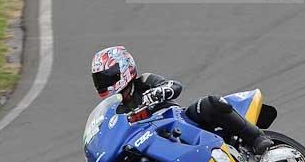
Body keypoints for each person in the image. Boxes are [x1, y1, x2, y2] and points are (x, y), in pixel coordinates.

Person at [91, 46, 273, 155]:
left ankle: (257, 138)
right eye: (99, 79)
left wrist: (157, 93)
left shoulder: (143, 81)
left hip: (178, 120)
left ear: (123, 68)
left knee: (209, 104)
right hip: (152, 139)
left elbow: (174, 85)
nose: (103, 83)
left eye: (106, 76)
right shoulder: (117, 108)